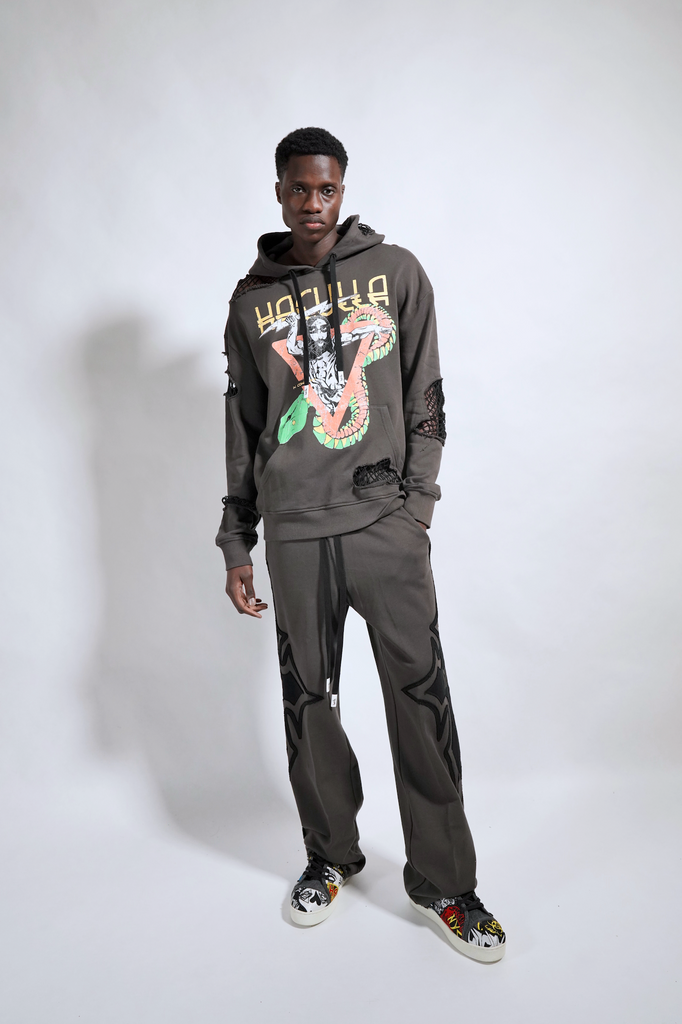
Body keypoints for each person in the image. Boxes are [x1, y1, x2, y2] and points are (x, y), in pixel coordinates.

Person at [216, 127, 506, 962]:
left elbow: (426, 391)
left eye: (327, 189)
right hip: (296, 532)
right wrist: (237, 541)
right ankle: (331, 855)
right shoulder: (250, 301)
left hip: (385, 525)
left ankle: (445, 884)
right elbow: (242, 427)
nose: (313, 203)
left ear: (343, 191)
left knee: (420, 699)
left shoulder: (397, 272)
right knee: (309, 702)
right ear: (279, 191)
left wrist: (417, 509)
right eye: (299, 189)